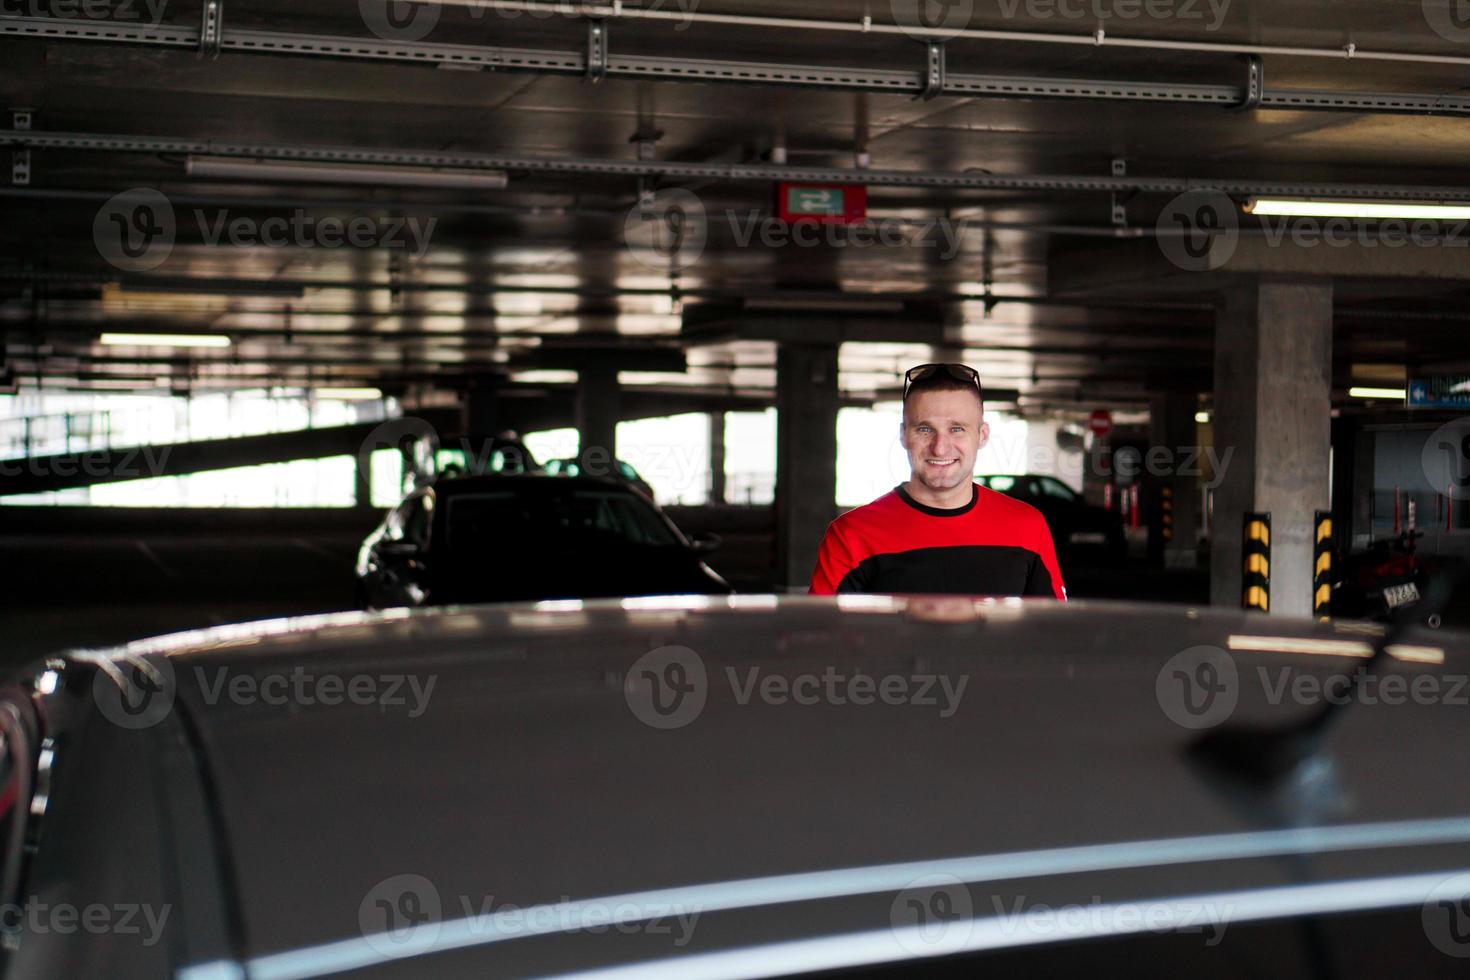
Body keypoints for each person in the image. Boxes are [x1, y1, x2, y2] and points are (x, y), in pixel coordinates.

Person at [809, 362, 1066, 599]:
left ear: (983, 435)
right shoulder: (852, 534)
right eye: (924, 429)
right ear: (903, 435)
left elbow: (1052, 636)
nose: (940, 448)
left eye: (957, 429)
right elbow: (821, 638)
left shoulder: (1028, 527)